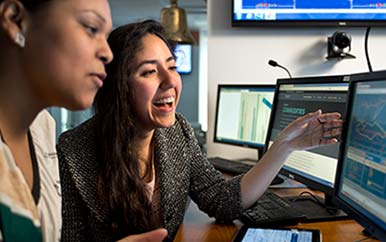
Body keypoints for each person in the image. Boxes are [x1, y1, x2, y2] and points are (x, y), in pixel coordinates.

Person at [58, 20, 343, 242]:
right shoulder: (72, 151)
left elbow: (223, 201)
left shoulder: (177, 132)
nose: (171, 81)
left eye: (172, 66)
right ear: (118, 86)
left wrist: (283, 147)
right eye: (149, 72)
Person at [0, 1, 167, 242]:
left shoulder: (43, 130)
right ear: (16, 21)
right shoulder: (73, 148)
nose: (108, 54)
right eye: (91, 28)